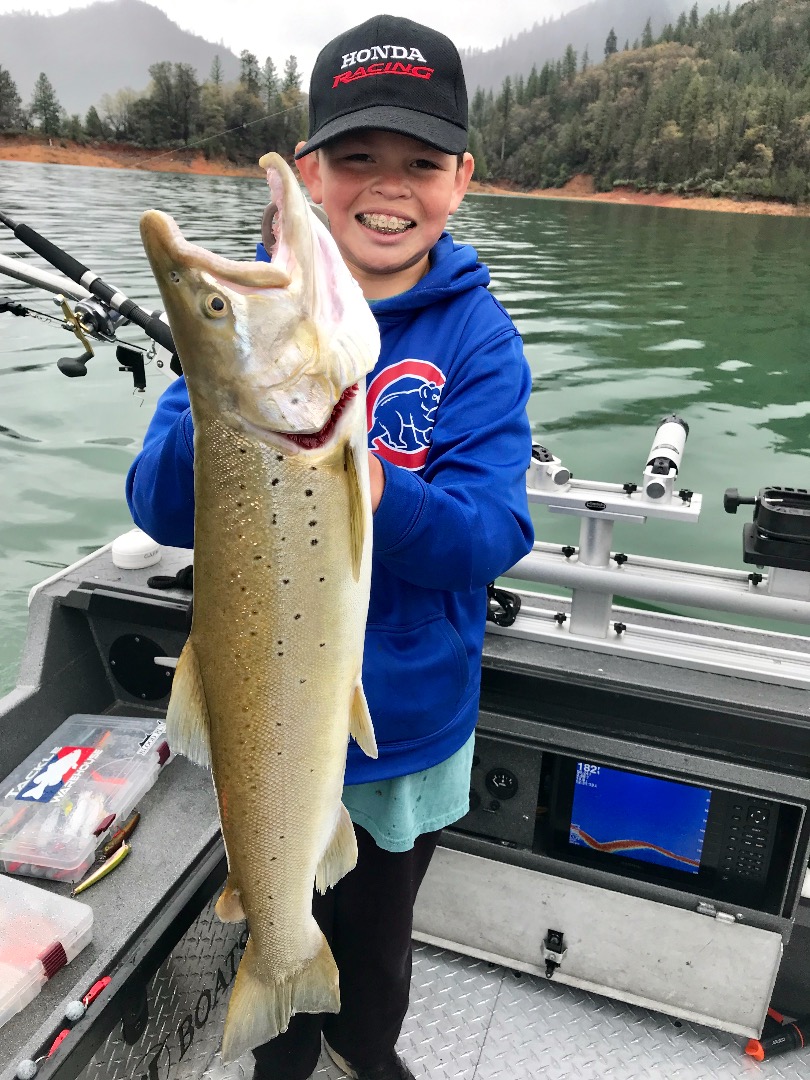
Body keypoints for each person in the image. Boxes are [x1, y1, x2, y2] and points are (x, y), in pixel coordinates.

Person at [126, 14, 535, 1080]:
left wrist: (371, 484)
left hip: (407, 735)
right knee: (279, 897)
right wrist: (220, 409)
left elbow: (489, 534)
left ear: (461, 179)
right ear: (311, 170)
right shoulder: (257, 320)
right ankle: (283, 1032)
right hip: (270, 728)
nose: (387, 186)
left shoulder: (479, 338)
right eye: (356, 158)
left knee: (379, 945)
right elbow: (157, 506)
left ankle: (363, 1047)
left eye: (419, 162)